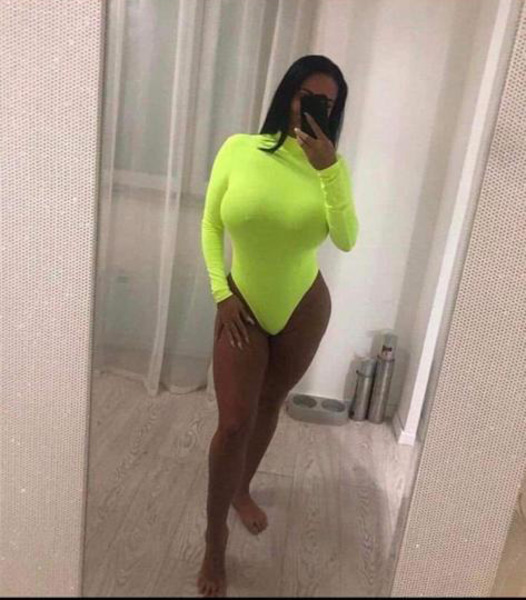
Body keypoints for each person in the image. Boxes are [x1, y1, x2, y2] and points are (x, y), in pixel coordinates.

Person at [197, 54, 359, 597]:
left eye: (327, 103)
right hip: (240, 303)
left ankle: (242, 489)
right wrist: (221, 293)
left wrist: (329, 170)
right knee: (233, 423)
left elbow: (346, 239)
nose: (314, 107)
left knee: (269, 405)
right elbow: (211, 223)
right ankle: (214, 539)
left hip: (304, 307)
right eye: (307, 95)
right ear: (287, 93)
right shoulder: (239, 149)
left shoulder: (332, 169)